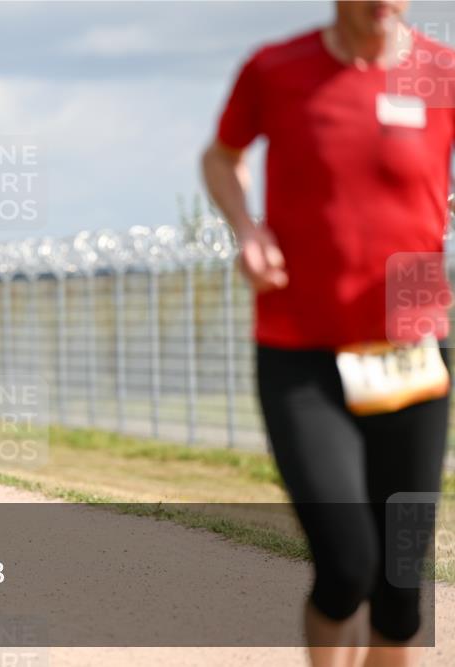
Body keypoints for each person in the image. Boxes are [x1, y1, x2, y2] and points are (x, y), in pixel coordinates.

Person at [203, 1, 454, 665]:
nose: (384, 9)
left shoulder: (440, 71)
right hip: (302, 350)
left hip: (411, 341)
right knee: (347, 564)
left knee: (401, 586)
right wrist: (248, 229)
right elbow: (222, 157)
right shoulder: (279, 69)